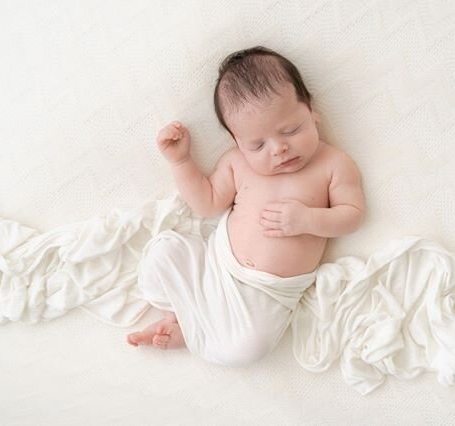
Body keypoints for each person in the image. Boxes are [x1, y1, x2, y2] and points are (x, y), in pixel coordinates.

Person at [126, 46, 366, 359]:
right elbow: (207, 204)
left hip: (268, 295)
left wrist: (308, 219)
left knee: (249, 347)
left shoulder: (334, 164)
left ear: (311, 110)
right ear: (237, 142)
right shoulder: (237, 164)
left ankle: (190, 326)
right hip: (217, 269)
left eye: (291, 130)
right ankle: (182, 315)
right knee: (161, 253)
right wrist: (181, 162)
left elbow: (353, 215)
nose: (279, 149)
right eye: (257, 144)